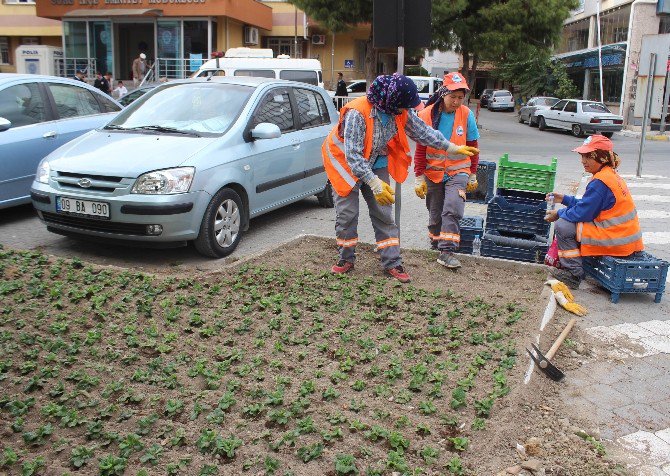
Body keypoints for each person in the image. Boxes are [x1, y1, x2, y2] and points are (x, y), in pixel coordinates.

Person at [321, 73, 478, 283]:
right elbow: (353, 156)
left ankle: (392, 262)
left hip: (376, 160)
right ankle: (346, 258)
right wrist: (374, 183)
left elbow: (423, 132)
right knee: (347, 213)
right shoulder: (357, 113)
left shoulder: (399, 110)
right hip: (345, 164)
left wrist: (451, 147)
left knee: (384, 212)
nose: (408, 110)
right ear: (391, 101)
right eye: (405, 105)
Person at [544, 134, 644, 289]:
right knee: (569, 222)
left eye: (588, 157)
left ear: (602, 157)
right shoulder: (608, 175)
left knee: (563, 226)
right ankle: (578, 267)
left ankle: (573, 274)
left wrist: (558, 214)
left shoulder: (600, 182)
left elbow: (583, 212)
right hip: (625, 239)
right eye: (582, 156)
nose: (583, 161)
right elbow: (589, 205)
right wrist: (564, 199)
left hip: (616, 239)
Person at [413, 72, 481, 269]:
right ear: (443, 94)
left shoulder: (466, 114)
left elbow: (473, 146)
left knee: (452, 208)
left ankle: (447, 251)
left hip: (458, 172)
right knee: (435, 213)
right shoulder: (427, 115)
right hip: (433, 173)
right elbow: (421, 150)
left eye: (461, 98)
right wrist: (419, 178)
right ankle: (436, 244)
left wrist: (473, 174)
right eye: (453, 97)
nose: (457, 102)